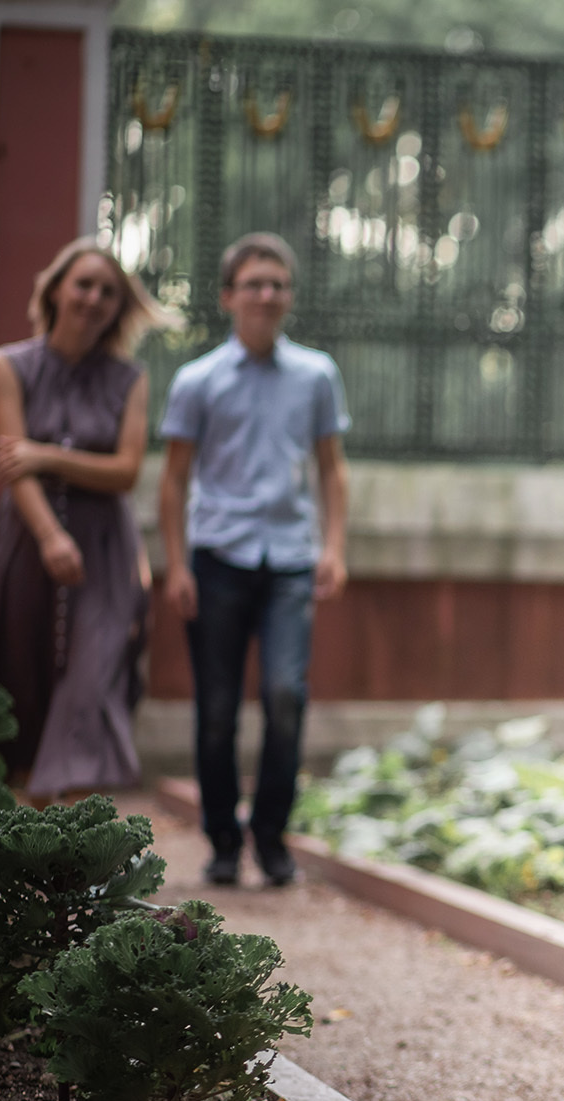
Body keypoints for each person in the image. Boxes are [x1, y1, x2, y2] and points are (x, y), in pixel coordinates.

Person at [156, 232, 349, 887]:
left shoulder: (317, 375)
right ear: (227, 296)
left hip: (290, 561)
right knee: (216, 710)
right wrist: (176, 564)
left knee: (285, 695)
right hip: (216, 561)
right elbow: (174, 480)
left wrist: (334, 548)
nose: (267, 295)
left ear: (288, 296)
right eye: (254, 283)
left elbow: (332, 470)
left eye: (278, 284)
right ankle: (219, 841)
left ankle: (269, 838)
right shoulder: (197, 380)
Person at [0, 236, 176, 800]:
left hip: (106, 548)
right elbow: (15, 468)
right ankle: (21, 826)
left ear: (118, 306)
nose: (94, 298)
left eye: (109, 291)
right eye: (84, 284)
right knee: (20, 672)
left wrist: (49, 454)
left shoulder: (129, 380)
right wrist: (51, 536)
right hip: (29, 538)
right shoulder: (7, 365)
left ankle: (74, 835)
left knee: (94, 676)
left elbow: (125, 472)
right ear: (56, 288)